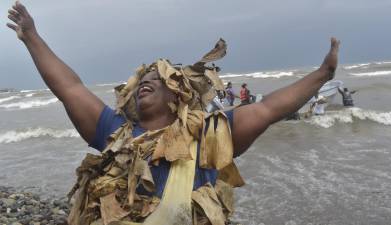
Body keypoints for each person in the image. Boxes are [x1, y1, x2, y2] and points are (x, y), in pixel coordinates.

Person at [7, 2, 340, 224]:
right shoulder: (115, 129)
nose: (144, 84)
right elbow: (71, 89)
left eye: (155, 80)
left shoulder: (208, 136)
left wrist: (321, 75)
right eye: (141, 82)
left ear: (178, 93)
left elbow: (268, 108)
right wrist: (32, 37)